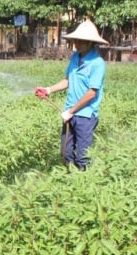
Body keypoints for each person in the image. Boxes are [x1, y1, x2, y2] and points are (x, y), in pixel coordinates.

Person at [35, 20, 107, 170]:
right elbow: (67, 80)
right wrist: (48, 90)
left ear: (89, 43)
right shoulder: (75, 57)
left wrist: (71, 111)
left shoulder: (97, 63)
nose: (76, 44)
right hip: (69, 113)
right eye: (76, 40)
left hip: (85, 116)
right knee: (65, 154)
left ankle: (83, 184)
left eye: (80, 41)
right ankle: (69, 180)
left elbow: (91, 93)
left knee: (83, 157)